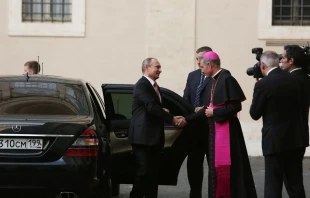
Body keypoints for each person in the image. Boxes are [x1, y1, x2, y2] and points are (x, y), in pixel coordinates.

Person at [250, 51, 306, 198]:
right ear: (278, 62)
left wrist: (257, 90)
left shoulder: (263, 84)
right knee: (295, 184)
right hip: (295, 138)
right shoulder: (296, 80)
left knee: (273, 185)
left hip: (274, 141)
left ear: (262, 65)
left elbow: (254, 113)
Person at [201, 51, 257, 198]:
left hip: (229, 132)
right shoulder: (214, 80)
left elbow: (236, 106)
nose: (201, 70)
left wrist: (215, 113)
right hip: (216, 130)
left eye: (202, 67)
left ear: (209, 65)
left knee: (234, 169)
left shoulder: (226, 78)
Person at [128, 58, 183, 198]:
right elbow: (151, 107)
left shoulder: (154, 86)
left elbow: (153, 106)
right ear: (147, 67)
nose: (160, 70)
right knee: (143, 172)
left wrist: (163, 110)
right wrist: (172, 119)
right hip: (142, 137)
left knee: (153, 174)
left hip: (153, 137)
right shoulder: (142, 85)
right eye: (157, 67)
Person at [183, 46, 213, 198]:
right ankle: (195, 194)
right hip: (194, 128)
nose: (198, 62)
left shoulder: (217, 75)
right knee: (194, 165)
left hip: (211, 128)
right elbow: (186, 98)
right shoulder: (192, 76)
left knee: (213, 166)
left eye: (200, 58)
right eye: (196, 59)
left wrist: (204, 109)